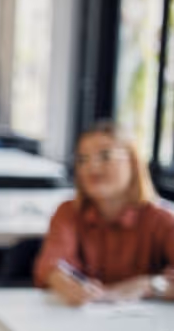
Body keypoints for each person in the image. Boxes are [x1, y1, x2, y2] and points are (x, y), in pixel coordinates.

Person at [34, 121, 174, 306]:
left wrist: (148, 285)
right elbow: (51, 264)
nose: (92, 167)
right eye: (82, 159)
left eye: (105, 156)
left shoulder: (162, 218)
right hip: (82, 316)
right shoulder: (69, 212)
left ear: (133, 162)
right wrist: (64, 283)